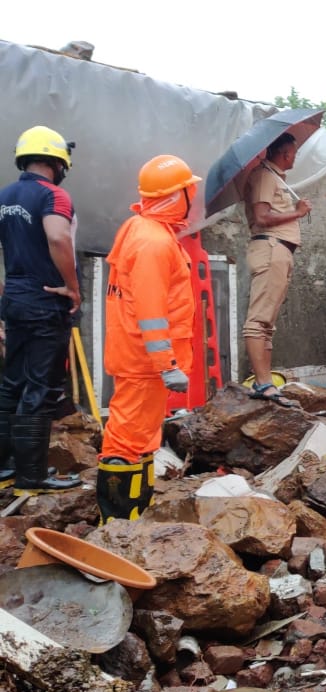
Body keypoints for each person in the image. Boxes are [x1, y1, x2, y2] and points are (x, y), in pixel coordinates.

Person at [97, 155, 200, 521]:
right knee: (126, 441)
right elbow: (151, 311)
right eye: (190, 190)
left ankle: (136, 511)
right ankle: (119, 522)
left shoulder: (139, 228)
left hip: (137, 357)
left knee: (140, 439)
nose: (195, 195)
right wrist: (167, 364)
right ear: (177, 195)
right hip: (145, 362)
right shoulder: (154, 242)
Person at [0, 126, 81, 493]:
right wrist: (72, 287)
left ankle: (4, 468)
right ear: (56, 161)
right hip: (46, 300)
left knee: (10, 384)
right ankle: (31, 477)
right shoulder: (54, 196)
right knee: (41, 387)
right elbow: (58, 236)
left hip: (14, 300)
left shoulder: (5, 196)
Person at [243, 132, 309, 408]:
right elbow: (261, 216)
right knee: (258, 322)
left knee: (267, 324)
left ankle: (266, 382)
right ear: (285, 153)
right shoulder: (264, 176)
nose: (295, 156)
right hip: (271, 249)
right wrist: (297, 212)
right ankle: (263, 384)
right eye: (293, 151)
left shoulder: (275, 177)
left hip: (279, 251)